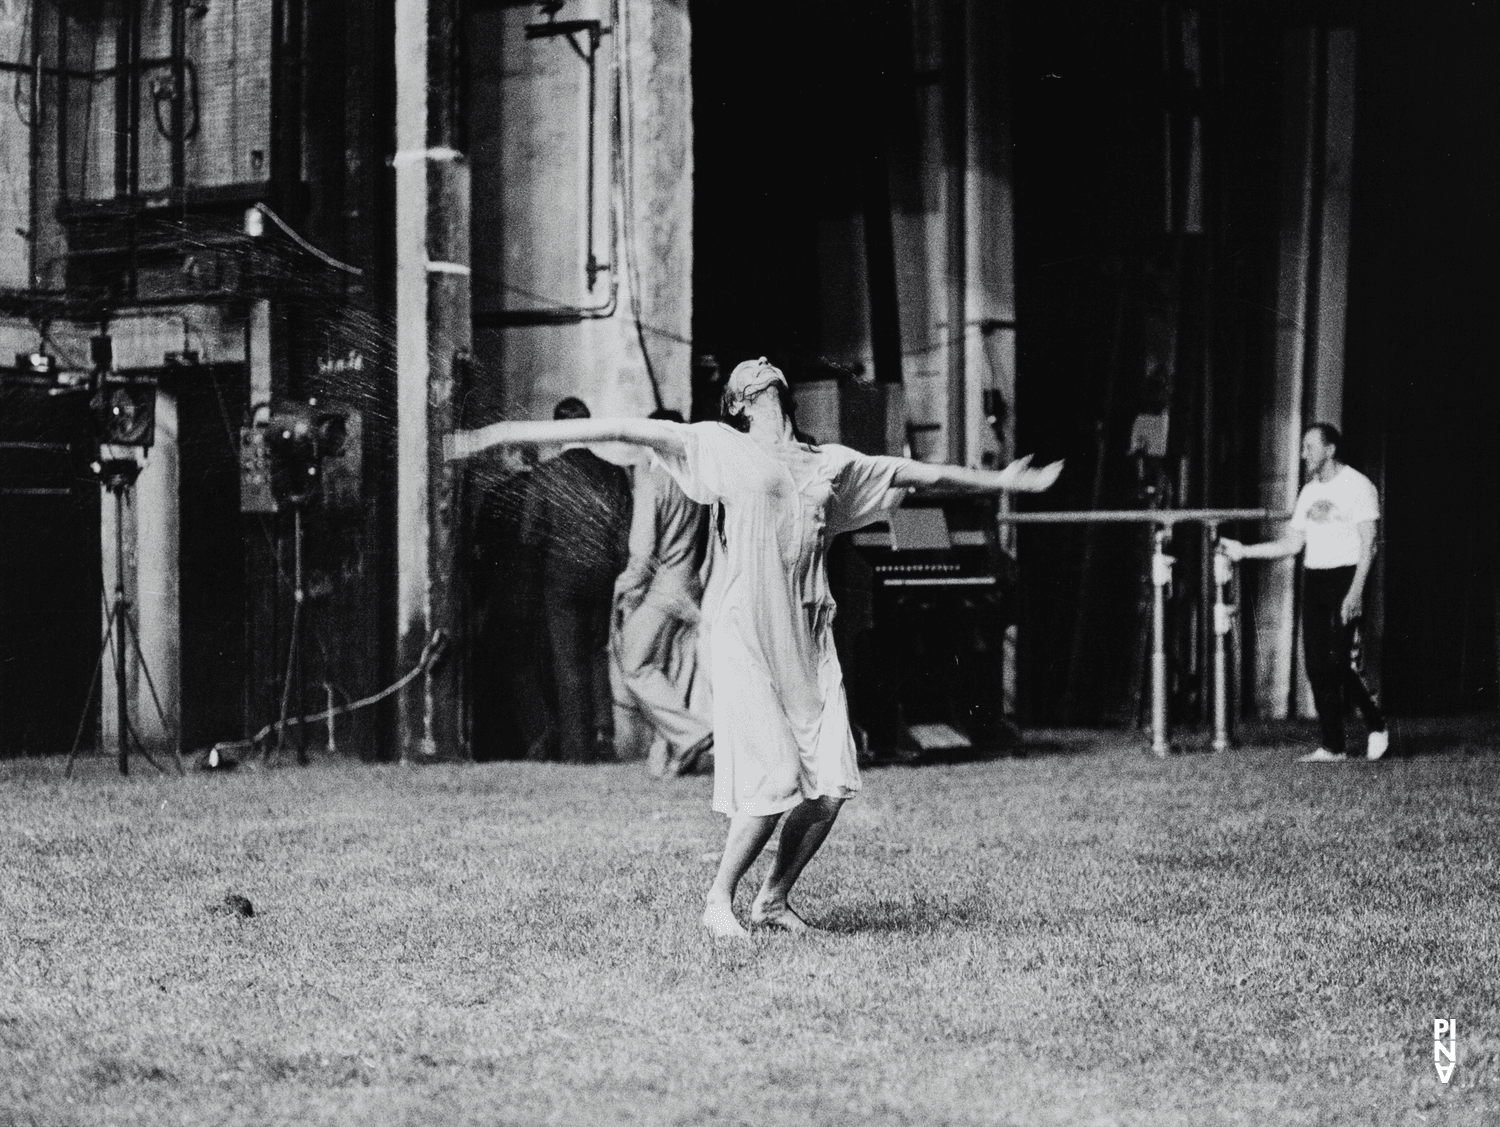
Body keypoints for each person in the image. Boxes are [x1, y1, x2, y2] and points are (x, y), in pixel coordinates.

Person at [446, 358, 1062, 937]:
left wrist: (1002, 479)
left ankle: (773, 897)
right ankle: (719, 901)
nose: (763, 360)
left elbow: (916, 474)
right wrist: (500, 433)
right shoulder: (720, 444)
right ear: (740, 399)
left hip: (809, 637)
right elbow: (618, 426)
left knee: (828, 789)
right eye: (750, 369)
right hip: (746, 634)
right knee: (775, 780)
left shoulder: (830, 462)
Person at [1220, 423, 1389, 763]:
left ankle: (1376, 724)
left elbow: (1369, 544)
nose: (1303, 454)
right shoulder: (1309, 492)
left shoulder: (1358, 486)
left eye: (1309, 447)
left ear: (1329, 450)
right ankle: (1333, 746)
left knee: (1339, 661)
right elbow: (1292, 544)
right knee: (1315, 664)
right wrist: (1244, 551)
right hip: (1315, 578)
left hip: (1347, 576)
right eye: (1302, 447)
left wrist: (1355, 592)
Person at [520, 397, 633, 763]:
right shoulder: (614, 474)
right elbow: (623, 535)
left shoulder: (545, 475)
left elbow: (530, 535)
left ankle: (578, 749)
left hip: (561, 579)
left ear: (557, 430)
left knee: (568, 661)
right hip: (603, 577)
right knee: (597, 654)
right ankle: (604, 735)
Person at [613, 408, 715, 777]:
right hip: (693, 587)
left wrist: (625, 587)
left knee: (635, 668)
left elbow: (642, 551)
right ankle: (668, 757)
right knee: (671, 672)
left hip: (663, 589)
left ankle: (693, 733)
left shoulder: (653, 478)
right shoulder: (696, 479)